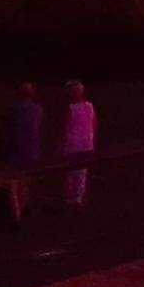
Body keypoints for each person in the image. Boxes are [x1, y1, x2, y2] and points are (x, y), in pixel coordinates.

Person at [0, 82, 43, 225]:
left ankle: (16, 213)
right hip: (30, 150)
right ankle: (21, 208)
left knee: (13, 184)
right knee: (24, 182)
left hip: (15, 149)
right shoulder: (37, 109)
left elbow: (7, 129)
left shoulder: (14, 110)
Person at [59, 80, 97, 210]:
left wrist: (62, 143)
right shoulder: (90, 106)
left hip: (73, 143)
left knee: (70, 172)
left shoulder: (71, 108)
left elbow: (67, 126)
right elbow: (94, 124)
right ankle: (78, 198)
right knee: (82, 173)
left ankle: (71, 198)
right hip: (86, 143)